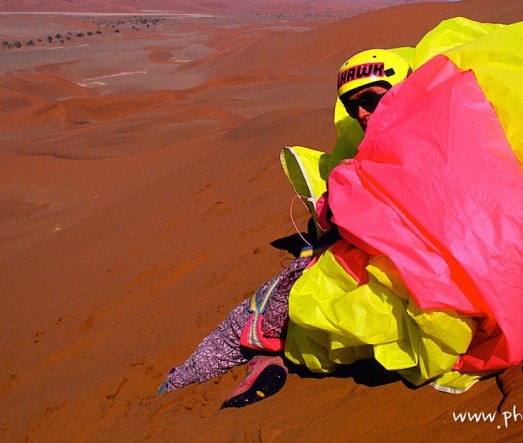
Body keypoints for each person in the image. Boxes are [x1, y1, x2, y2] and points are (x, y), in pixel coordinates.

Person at [157, 49, 411, 407]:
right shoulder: (440, 132)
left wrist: (333, 207)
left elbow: (368, 218)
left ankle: (180, 381)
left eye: (370, 99)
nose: (363, 114)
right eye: (354, 108)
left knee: (252, 317)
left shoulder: (407, 149)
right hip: (415, 282)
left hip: (378, 270)